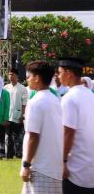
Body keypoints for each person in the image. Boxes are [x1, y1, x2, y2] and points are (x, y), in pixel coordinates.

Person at [20, 61, 63, 194]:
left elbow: (33, 136)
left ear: (37, 78)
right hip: (55, 166)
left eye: (29, 76)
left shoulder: (35, 102)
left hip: (40, 168)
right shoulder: (55, 99)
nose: (27, 80)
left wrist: (26, 165)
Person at [57, 57, 94, 193]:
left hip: (75, 169)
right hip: (90, 167)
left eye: (60, 72)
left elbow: (68, 132)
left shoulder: (69, 98)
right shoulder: (90, 95)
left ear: (69, 74)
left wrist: (63, 162)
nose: (58, 76)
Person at [4, 68, 28, 159]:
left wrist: (22, 114)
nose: (11, 76)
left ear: (17, 76)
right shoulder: (6, 88)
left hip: (18, 114)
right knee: (8, 135)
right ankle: (9, 153)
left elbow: (24, 103)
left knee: (18, 135)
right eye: (9, 74)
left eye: (13, 74)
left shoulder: (22, 88)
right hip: (7, 115)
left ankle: (19, 153)